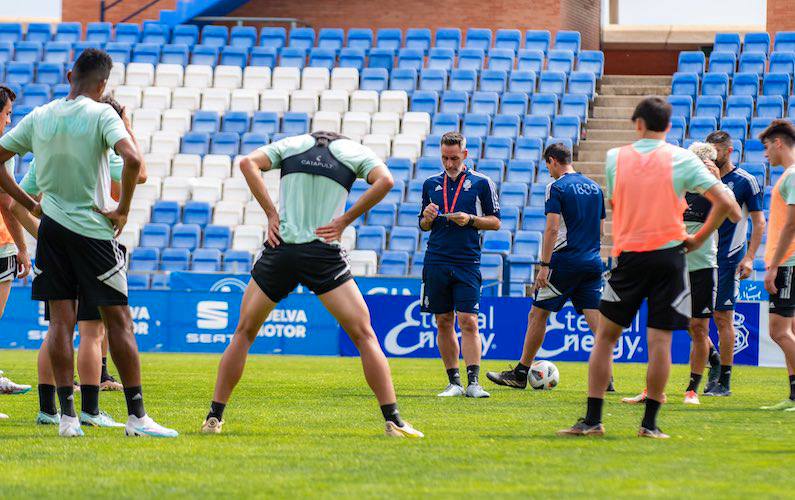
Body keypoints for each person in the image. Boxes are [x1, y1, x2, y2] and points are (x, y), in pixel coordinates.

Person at [0, 48, 176, 438]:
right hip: (94, 232)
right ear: (102, 85)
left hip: (52, 235)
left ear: (68, 76)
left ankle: (67, 419)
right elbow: (132, 161)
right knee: (119, 323)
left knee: (60, 325)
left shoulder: (40, 115)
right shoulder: (102, 113)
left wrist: (31, 204)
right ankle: (137, 416)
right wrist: (124, 209)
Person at [201, 131, 423, 438]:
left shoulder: (292, 144)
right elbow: (386, 181)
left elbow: (248, 163)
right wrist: (345, 221)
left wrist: (271, 213)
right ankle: (394, 421)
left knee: (243, 333)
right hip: (322, 254)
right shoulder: (353, 150)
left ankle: (214, 417)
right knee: (364, 335)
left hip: (281, 250)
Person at [556, 97, 735, 439]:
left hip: (631, 256)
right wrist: (698, 239)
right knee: (660, 344)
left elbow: (615, 203)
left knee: (605, 339)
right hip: (670, 258)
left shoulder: (615, 158)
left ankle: (593, 420)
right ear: (668, 126)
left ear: (637, 123)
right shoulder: (681, 158)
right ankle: (649, 425)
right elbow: (726, 203)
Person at [11, 95, 147, 427]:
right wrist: (126, 127)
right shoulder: (102, 154)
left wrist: (43, 230)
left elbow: (17, 206)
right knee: (93, 332)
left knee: (57, 328)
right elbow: (139, 170)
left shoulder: (49, 155)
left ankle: (50, 409)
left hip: (55, 242)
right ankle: (92, 410)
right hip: (92, 241)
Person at [621, 142, 741, 406]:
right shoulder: (675, 184)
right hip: (670, 265)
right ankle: (652, 391)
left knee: (699, 327)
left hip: (703, 266)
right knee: (659, 329)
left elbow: (735, 214)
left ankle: (692, 390)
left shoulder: (714, 189)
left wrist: (718, 182)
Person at [486, 142, 605, 390]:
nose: (548, 170)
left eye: (547, 165)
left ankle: (520, 374)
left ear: (552, 160)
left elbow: (552, 228)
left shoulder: (557, 187)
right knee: (594, 317)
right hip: (593, 261)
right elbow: (601, 230)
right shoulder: (595, 188)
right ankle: (607, 376)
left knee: (538, 313)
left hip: (565, 262)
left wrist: (545, 265)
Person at [418, 132, 501, 399]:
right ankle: (453, 382)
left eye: (454, 158)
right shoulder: (431, 183)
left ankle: (474, 382)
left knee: (468, 321)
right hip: (436, 259)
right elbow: (423, 225)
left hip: (467, 260)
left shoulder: (481, 183)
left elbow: (496, 222)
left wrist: (471, 219)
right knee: (443, 320)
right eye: (444, 157)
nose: (449, 163)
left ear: (465, 155)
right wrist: (427, 218)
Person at [703, 131, 765, 396]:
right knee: (689, 318)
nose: (709, 156)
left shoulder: (745, 181)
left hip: (728, 258)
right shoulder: (700, 179)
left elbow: (759, 222)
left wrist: (750, 257)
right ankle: (713, 360)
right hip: (701, 257)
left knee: (722, 317)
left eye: (714, 151)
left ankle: (724, 380)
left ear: (728, 151)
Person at [757, 119, 795, 412]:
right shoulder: (788, 176)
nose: (765, 154)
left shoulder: (792, 175)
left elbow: (791, 225)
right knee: (788, 330)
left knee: (778, 331)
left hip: (788, 263)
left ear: (778, 143)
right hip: (786, 262)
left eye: (767, 146)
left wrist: (773, 266)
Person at [0, 85, 32, 420]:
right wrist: (24, 250)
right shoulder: (1, 151)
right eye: (7, 113)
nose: (10, 121)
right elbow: (8, 203)